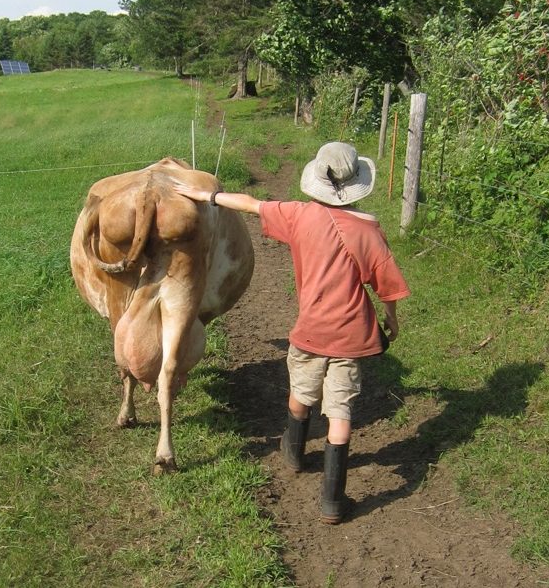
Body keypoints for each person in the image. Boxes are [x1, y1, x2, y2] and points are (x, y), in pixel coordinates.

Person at [174, 141, 410, 524]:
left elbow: (252, 204)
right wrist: (392, 320)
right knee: (341, 410)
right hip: (351, 338)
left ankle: (294, 453)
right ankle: (333, 501)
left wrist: (209, 195)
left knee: (301, 393)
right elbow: (388, 287)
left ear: (317, 179)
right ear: (356, 186)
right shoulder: (369, 232)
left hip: (309, 333)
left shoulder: (299, 216)